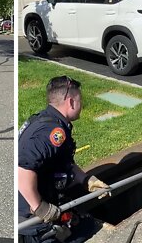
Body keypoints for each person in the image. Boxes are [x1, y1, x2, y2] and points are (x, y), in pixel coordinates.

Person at [18, 76, 109, 243]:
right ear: (71, 102)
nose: (81, 105)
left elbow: (64, 162)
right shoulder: (52, 132)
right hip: (31, 218)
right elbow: (22, 170)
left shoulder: (47, 120)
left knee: (86, 223)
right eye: (80, 100)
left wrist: (87, 180)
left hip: (44, 196)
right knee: (88, 229)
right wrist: (40, 207)